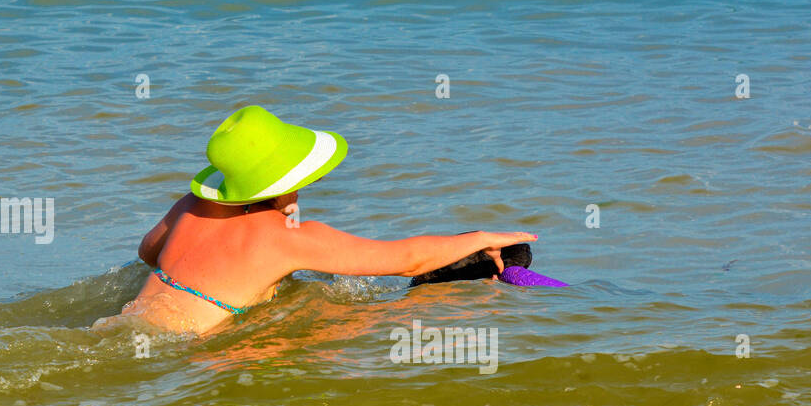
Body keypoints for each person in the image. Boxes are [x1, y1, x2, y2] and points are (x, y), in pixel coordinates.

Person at [119, 105, 536, 335]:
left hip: (122, 327)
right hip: (185, 348)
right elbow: (407, 259)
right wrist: (481, 237)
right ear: (284, 184)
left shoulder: (189, 207)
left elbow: (147, 252)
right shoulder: (286, 239)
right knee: (338, 333)